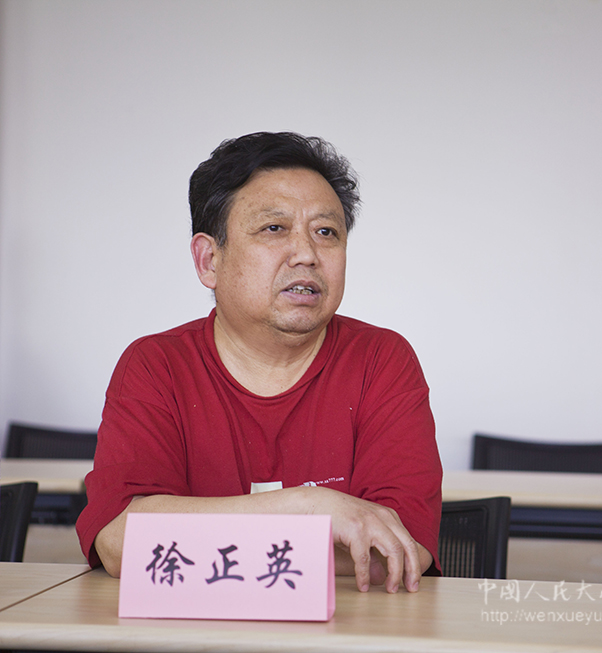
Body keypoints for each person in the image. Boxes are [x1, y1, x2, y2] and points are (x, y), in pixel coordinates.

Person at [76, 132, 443, 593]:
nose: (307, 254)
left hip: (344, 628)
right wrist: (309, 508)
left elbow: (399, 551)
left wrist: (189, 536)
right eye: (274, 228)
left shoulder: (381, 360)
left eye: (326, 232)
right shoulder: (155, 366)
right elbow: (120, 541)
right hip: (186, 629)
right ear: (209, 260)